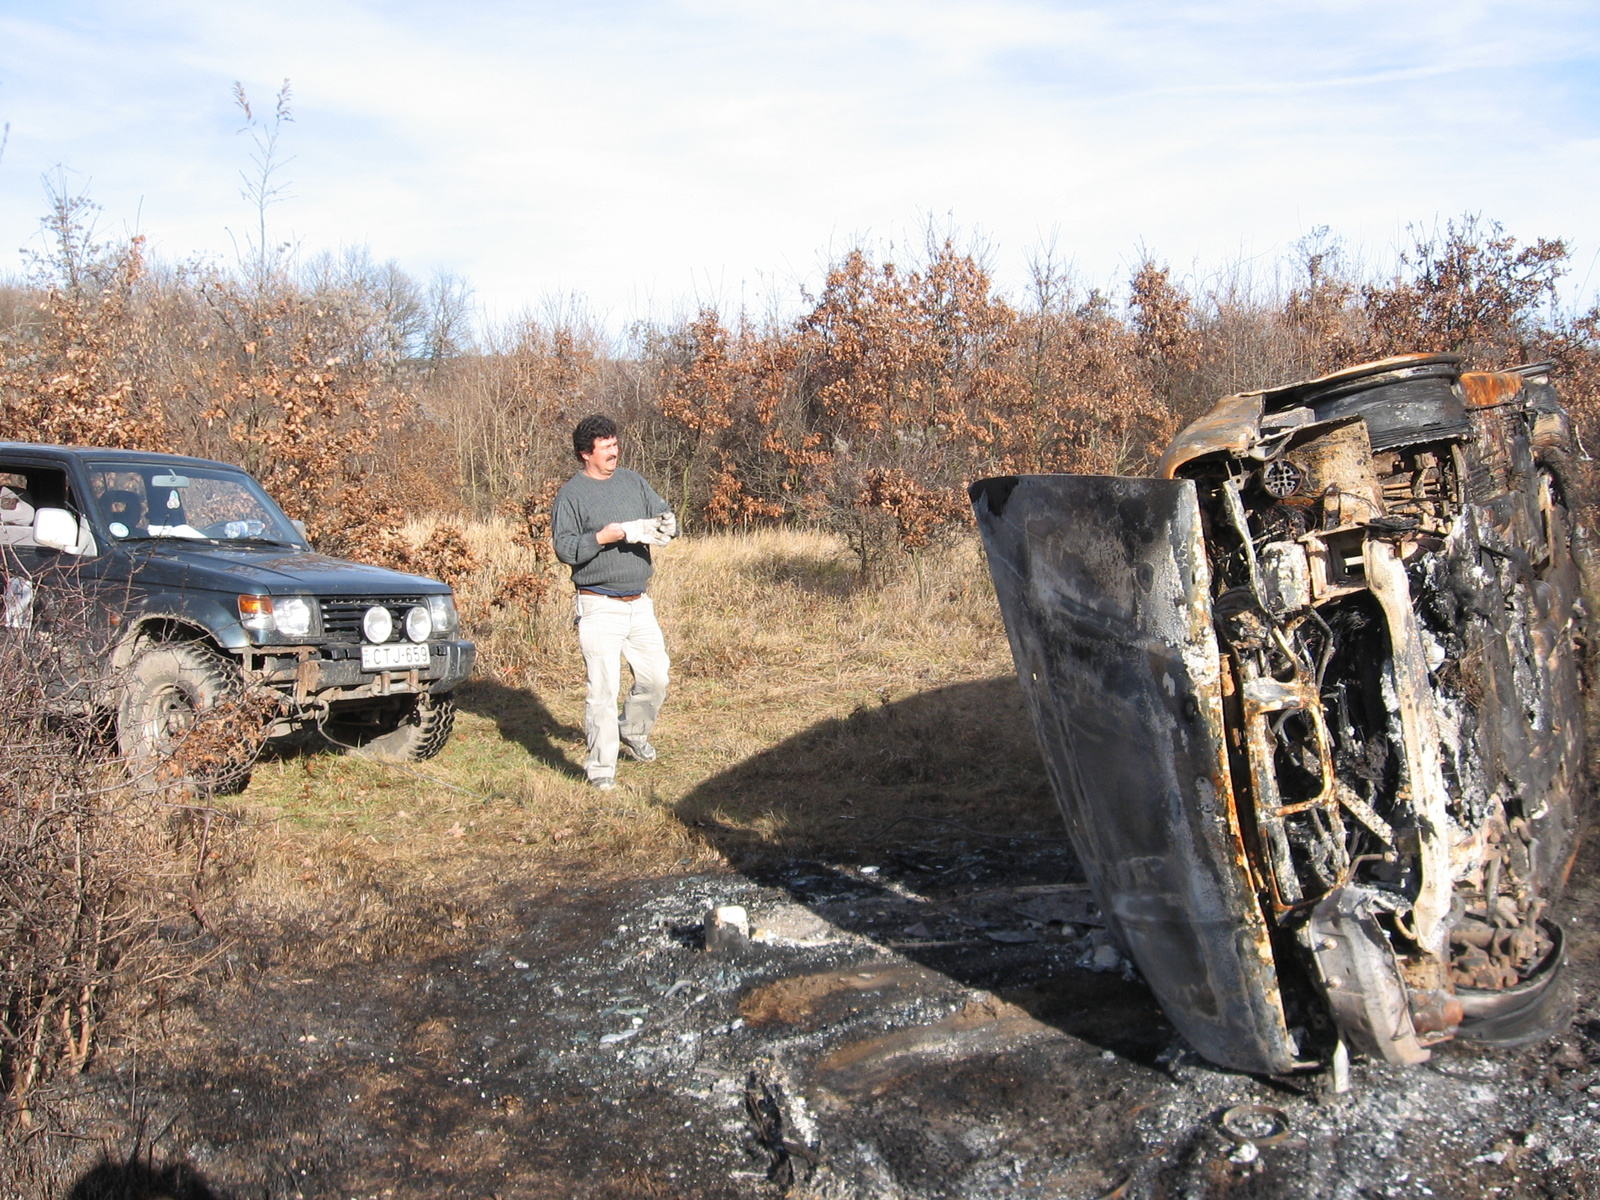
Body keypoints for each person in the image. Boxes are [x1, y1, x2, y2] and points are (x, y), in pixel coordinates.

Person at [551, 415, 678, 790]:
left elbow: (663, 515)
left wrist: (667, 526)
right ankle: (602, 770)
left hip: (639, 602)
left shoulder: (633, 481)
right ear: (585, 454)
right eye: (605, 446)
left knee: (656, 679)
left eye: (615, 443)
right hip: (598, 605)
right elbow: (565, 548)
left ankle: (633, 733)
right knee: (602, 692)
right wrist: (602, 537)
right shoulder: (571, 495)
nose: (614, 451)